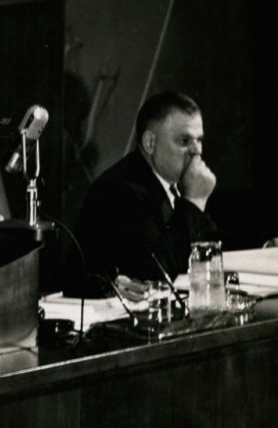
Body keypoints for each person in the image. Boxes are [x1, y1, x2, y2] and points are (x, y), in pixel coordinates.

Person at [70, 90, 218, 294]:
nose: (197, 151)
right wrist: (194, 201)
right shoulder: (121, 190)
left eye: (199, 140)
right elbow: (156, 273)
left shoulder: (174, 184)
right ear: (150, 143)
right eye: (184, 141)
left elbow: (210, 249)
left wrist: (265, 249)